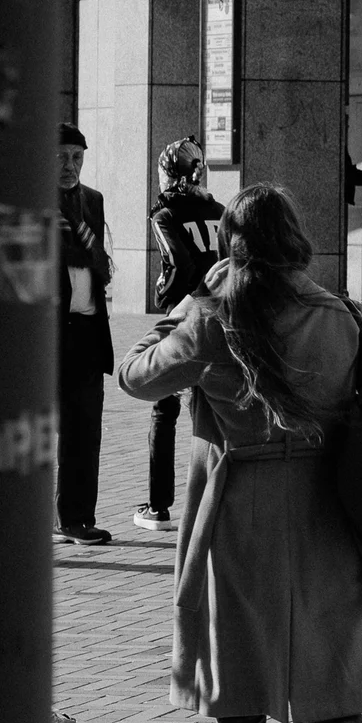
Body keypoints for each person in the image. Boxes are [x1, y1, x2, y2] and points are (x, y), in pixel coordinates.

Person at [118, 183, 362, 723]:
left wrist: (150, 339)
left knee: (236, 692)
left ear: (232, 243)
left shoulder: (214, 313)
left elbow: (140, 378)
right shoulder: (340, 316)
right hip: (326, 512)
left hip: (238, 513)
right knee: (332, 696)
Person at [133, 140, 226, 536]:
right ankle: (214, 498)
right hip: (223, 313)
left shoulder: (165, 212)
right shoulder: (220, 211)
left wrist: (165, 293)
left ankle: (159, 507)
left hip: (184, 314)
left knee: (164, 406)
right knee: (212, 410)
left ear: (168, 173)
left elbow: (176, 263)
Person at [55, 127, 115, 544]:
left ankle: (79, 519)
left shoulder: (92, 201)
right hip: (48, 333)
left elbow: (101, 263)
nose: (70, 166)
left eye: (77, 157)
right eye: (61, 157)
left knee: (85, 428)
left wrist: (93, 258)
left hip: (89, 329)